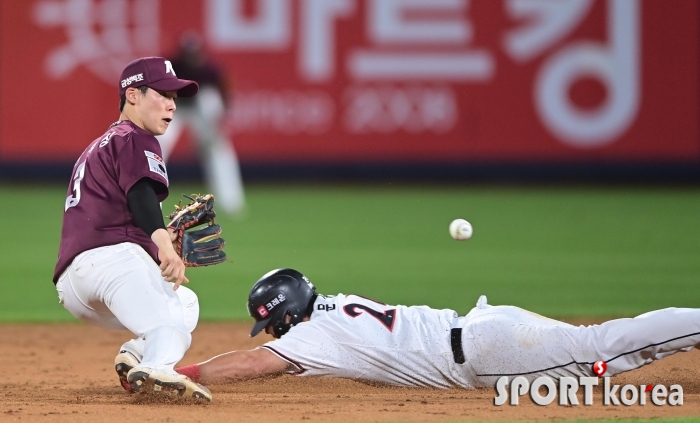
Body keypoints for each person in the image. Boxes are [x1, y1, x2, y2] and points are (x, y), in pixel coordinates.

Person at [167, 268, 700, 390]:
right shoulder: (337, 307)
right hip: (486, 326)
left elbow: (254, 363)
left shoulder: (312, 336)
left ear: (284, 312)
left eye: (271, 322)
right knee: (596, 345)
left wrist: (180, 373)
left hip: (489, 353)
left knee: (601, 351)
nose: (273, 333)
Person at [53, 56, 212, 401]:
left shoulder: (102, 143)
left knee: (184, 302)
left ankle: (136, 356)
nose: (172, 105)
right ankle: (158, 368)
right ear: (133, 95)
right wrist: (163, 244)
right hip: (110, 263)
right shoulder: (135, 137)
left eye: (175, 98)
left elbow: (115, 212)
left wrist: (160, 238)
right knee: (170, 328)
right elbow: (141, 194)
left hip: (77, 285)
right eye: (163, 94)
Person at [156, 32, 245, 216]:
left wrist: (221, 119)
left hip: (200, 108)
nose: (191, 58)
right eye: (188, 54)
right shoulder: (171, 66)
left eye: (194, 54)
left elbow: (224, 89)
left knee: (218, 149)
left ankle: (231, 201)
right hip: (175, 108)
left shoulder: (209, 69)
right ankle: (148, 198)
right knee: (155, 149)